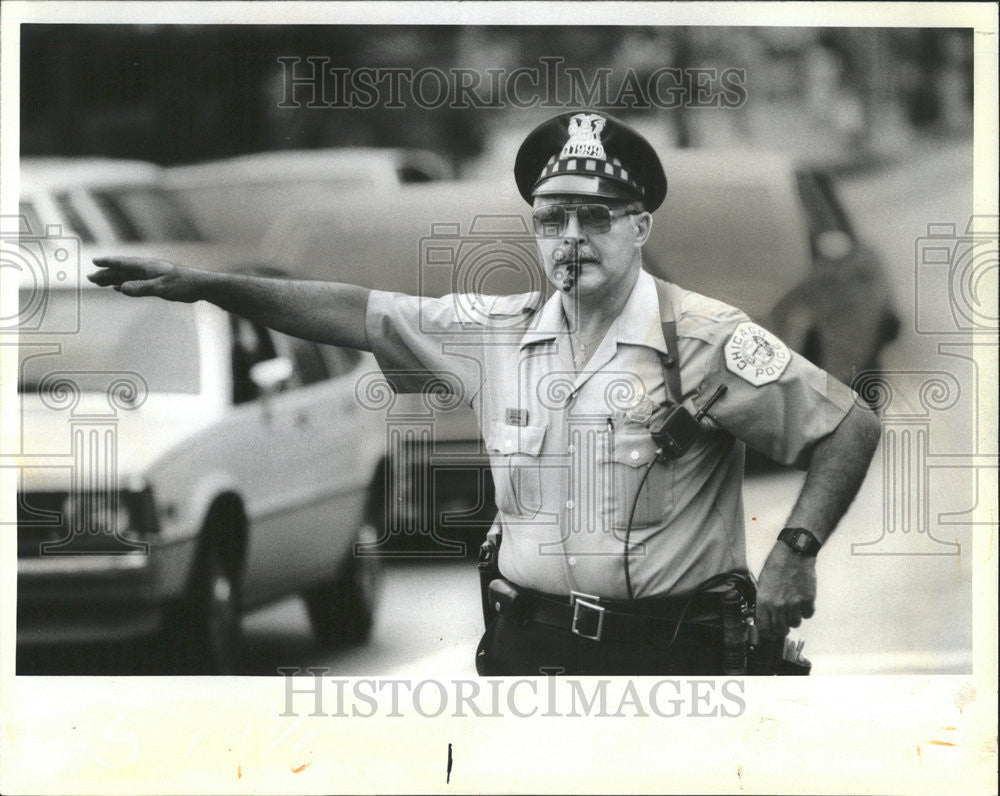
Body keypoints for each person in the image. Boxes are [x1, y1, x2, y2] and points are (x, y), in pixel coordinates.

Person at [88, 110, 881, 676]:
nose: (570, 239)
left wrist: (795, 554)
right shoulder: (496, 331)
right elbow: (358, 311)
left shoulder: (702, 339)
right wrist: (211, 287)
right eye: (552, 218)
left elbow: (847, 426)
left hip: (671, 658)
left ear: (639, 226)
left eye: (594, 218)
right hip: (528, 650)